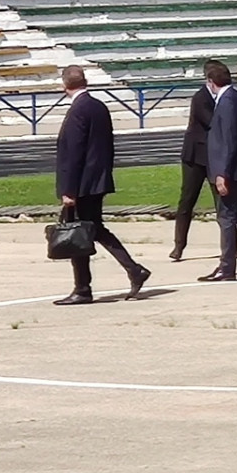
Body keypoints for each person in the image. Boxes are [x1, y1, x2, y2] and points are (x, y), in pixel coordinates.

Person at [53, 65, 150, 305]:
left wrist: (68, 189)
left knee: (78, 235)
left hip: (83, 184)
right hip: (97, 180)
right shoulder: (98, 106)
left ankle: (83, 288)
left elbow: (74, 153)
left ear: (65, 85)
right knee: (94, 230)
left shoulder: (79, 110)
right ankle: (132, 269)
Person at [199, 60, 237, 282]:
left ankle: (227, 266)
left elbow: (229, 140)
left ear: (211, 82)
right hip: (235, 166)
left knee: (227, 217)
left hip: (229, 169)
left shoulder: (228, 101)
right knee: (232, 214)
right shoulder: (236, 98)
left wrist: (222, 173)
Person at [169, 67, 215, 262]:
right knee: (187, 200)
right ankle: (179, 244)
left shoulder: (223, 97)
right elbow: (212, 122)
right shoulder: (201, 97)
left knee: (225, 204)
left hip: (213, 156)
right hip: (195, 156)